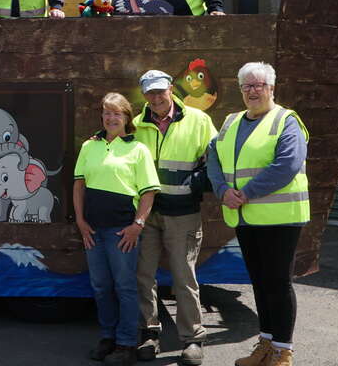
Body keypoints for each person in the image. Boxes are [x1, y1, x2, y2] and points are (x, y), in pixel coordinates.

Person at [206, 62, 309, 366]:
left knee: (278, 283)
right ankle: (265, 344)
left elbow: (288, 164)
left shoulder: (286, 120)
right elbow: (213, 156)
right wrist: (222, 189)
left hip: (279, 219)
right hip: (245, 218)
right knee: (260, 283)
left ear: (271, 88)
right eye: (246, 86)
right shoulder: (231, 121)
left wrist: (245, 193)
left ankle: (282, 351)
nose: (252, 91)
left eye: (259, 85)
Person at [131, 70, 217, 365]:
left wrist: (196, 183)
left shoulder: (199, 120)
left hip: (183, 214)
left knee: (184, 277)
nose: (156, 98)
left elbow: (216, 161)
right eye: (150, 93)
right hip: (146, 214)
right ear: (144, 96)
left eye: (161, 91)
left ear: (171, 89)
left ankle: (192, 339)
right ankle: (149, 333)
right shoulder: (136, 124)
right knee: (143, 276)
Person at [74, 92, 161, 366]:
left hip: (122, 232)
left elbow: (148, 193)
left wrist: (137, 225)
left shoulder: (138, 149)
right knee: (101, 286)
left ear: (127, 118)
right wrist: (80, 221)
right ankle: (108, 337)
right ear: (102, 116)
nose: (111, 118)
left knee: (125, 287)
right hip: (93, 231)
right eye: (107, 112)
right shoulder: (90, 146)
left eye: (117, 113)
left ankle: (126, 344)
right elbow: (79, 185)